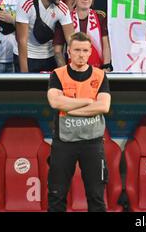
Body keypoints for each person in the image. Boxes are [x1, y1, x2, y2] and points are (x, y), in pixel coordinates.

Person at [47, 31, 111, 212]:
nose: (81, 54)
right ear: (69, 52)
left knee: (96, 196)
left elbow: (104, 106)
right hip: (63, 143)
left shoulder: (99, 76)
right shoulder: (58, 74)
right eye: (76, 50)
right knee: (56, 195)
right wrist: (88, 102)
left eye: (84, 50)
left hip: (93, 143)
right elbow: (55, 102)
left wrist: (69, 108)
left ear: (90, 52)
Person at [15, 0, 74, 73]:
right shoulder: (26, 3)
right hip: (27, 55)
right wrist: (24, 73)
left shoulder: (62, 8)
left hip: (49, 56)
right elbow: (22, 40)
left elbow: (71, 39)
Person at [53, 0, 112, 71]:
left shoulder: (101, 17)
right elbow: (58, 51)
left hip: (98, 69)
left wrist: (106, 66)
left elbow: (106, 45)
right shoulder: (65, 18)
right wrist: (64, 70)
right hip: (72, 69)